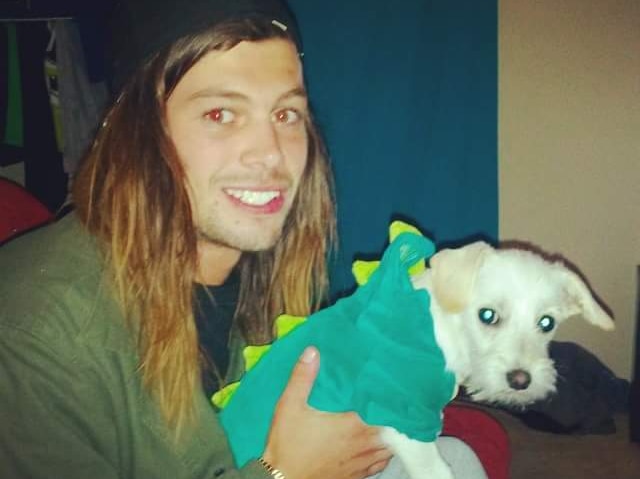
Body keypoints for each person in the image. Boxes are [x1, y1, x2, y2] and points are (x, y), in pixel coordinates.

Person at [0, 1, 490, 478]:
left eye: (285, 115)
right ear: (137, 134)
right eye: (220, 114)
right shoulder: (35, 332)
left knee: (459, 459)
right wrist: (282, 472)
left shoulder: (269, 269)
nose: (270, 155)